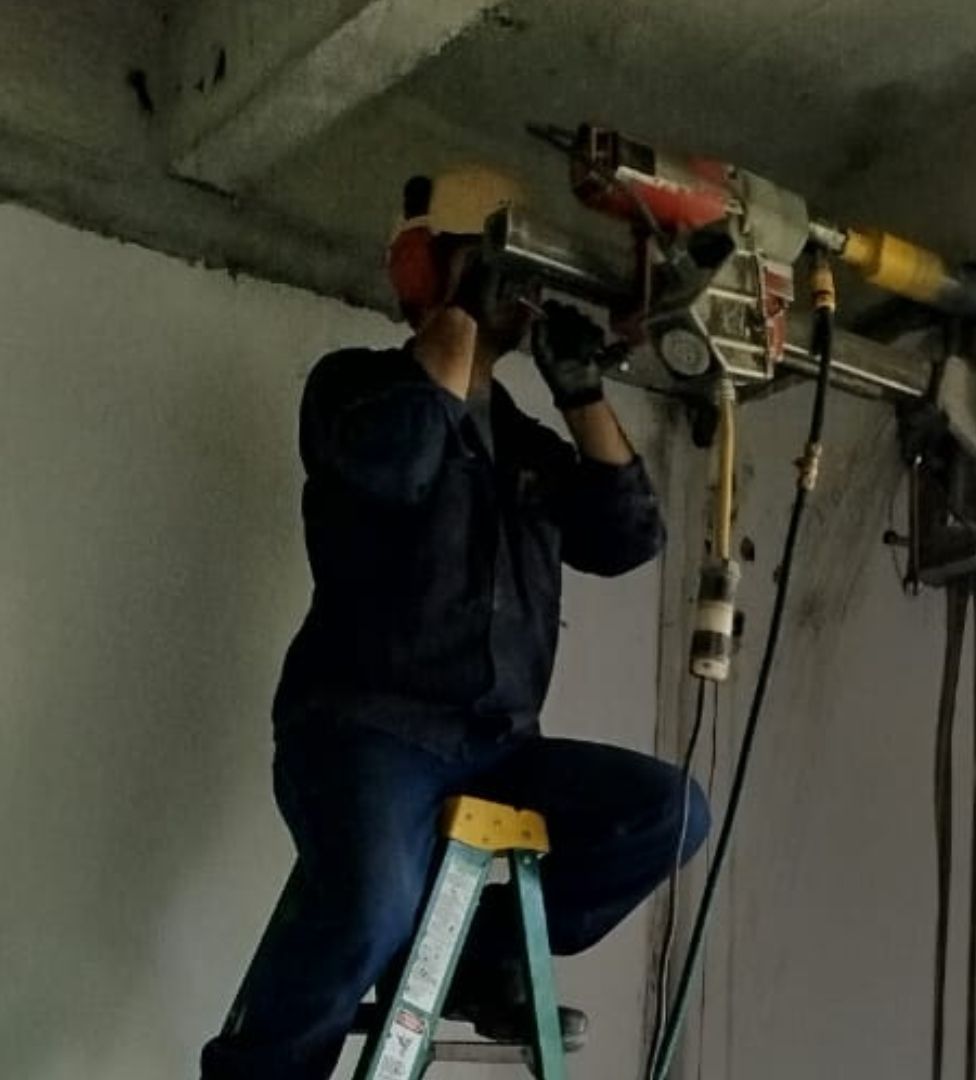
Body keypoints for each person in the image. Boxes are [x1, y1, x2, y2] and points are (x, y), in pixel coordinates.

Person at [201, 166, 708, 1079]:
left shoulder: (523, 442)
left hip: (501, 747)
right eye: (497, 268)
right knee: (368, 909)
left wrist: (581, 387)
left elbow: (627, 534)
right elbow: (398, 464)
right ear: (436, 272)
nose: (515, 292)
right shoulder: (355, 390)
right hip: (366, 732)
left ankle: (476, 959)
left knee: (669, 813)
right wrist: (465, 309)